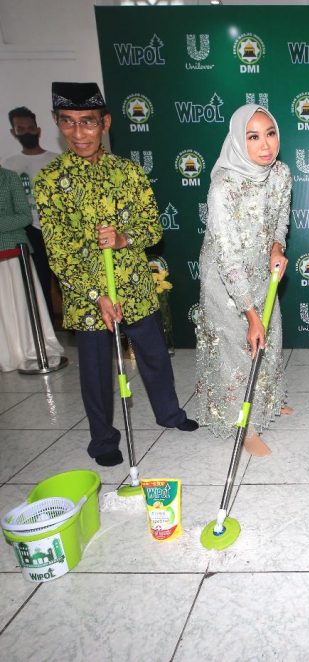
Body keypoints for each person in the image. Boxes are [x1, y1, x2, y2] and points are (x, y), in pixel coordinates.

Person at [34, 82, 197, 467]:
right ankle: (103, 440)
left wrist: (125, 238)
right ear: (58, 124)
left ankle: (169, 414)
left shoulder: (128, 172)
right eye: (68, 123)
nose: (79, 133)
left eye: (87, 122)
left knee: (155, 356)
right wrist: (96, 296)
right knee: (95, 372)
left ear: (104, 123)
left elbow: (153, 230)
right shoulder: (51, 181)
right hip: (87, 296)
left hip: (135, 287)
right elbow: (59, 252)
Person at [195, 104, 291, 457]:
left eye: (270, 133)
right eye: (253, 137)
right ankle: (245, 427)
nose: (265, 145)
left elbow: (281, 218)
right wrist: (249, 312)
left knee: (271, 339)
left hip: (264, 272)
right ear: (238, 140)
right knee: (239, 349)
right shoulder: (224, 187)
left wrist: (277, 246)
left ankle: (269, 402)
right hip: (226, 279)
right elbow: (227, 256)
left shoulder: (280, 174)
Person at [0, 165, 64, 371]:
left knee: (18, 304)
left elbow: (25, 216)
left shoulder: (9, 177)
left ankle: (25, 350)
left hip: (13, 251)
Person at [3, 107, 59, 320]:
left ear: (38, 130)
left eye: (30, 128)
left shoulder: (56, 160)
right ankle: (47, 334)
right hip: (29, 231)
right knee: (39, 282)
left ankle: (79, 330)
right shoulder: (9, 166)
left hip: (57, 228)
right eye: (21, 129)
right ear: (13, 132)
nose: (26, 132)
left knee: (67, 280)